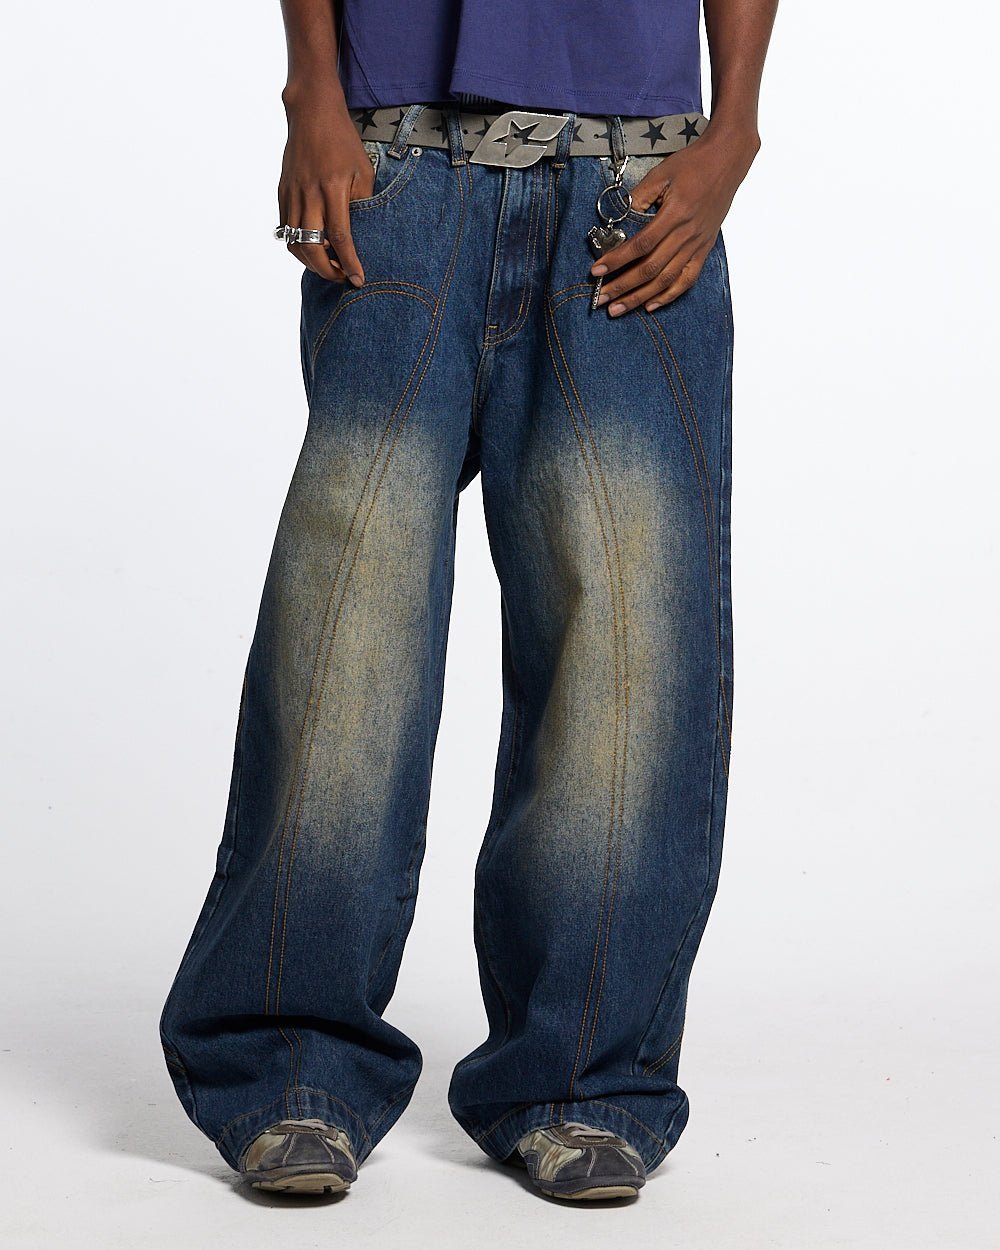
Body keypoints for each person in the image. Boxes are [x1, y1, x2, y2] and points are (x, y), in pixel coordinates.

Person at [158, 0, 777, 1203]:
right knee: (347, 631)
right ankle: (291, 1063)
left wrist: (736, 126)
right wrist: (310, 90)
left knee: (626, 651)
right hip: (398, 166)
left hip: (635, 190)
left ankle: (581, 1079)